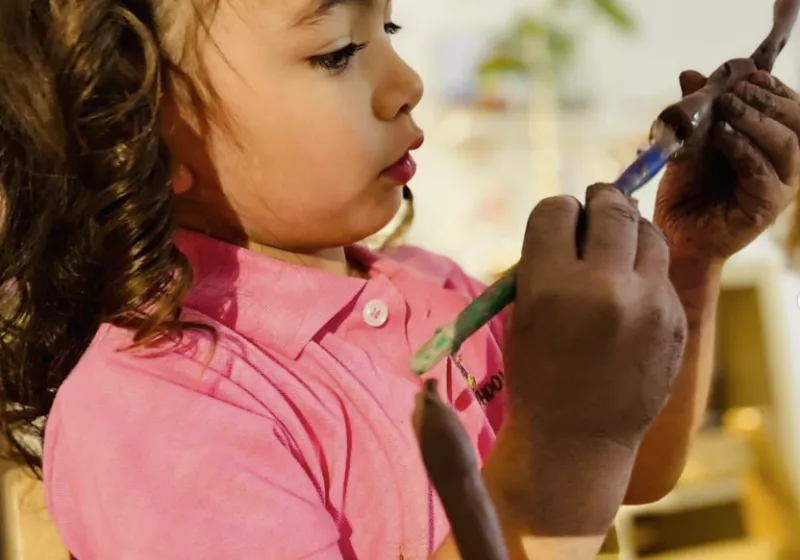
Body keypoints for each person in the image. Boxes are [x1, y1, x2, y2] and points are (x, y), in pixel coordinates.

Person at [0, 0, 798, 558]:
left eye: (388, 26)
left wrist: (689, 259)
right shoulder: (153, 412)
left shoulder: (434, 290)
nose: (406, 78)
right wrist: (563, 446)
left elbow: (633, 470)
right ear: (132, 125)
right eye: (337, 51)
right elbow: (578, 466)